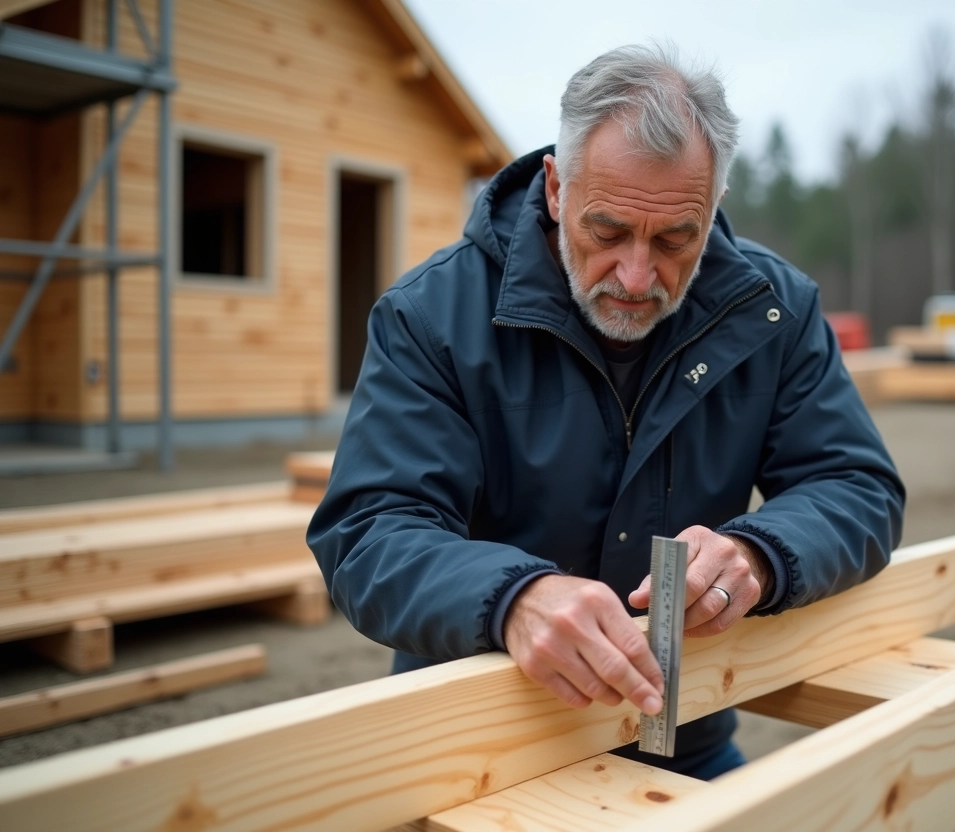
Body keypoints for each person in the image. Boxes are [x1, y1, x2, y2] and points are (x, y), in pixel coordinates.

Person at [307, 43, 905, 780]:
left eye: (675, 239)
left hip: (680, 742)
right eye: (609, 231)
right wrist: (512, 598)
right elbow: (369, 531)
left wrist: (758, 554)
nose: (636, 275)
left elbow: (857, 487)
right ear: (557, 189)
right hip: (473, 750)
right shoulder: (429, 316)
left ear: (714, 204)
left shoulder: (775, 310)